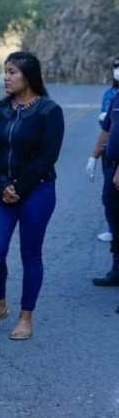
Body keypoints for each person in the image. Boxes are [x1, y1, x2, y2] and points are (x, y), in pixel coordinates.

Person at [0, 51, 64, 340]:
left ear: (28, 76)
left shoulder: (49, 111)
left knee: (31, 254)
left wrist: (20, 186)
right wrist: (2, 183)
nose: (6, 77)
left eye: (12, 72)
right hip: (3, 189)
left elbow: (48, 156)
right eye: (5, 71)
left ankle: (26, 315)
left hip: (37, 190)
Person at [87, 56, 119, 291]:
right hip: (111, 164)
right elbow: (107, 130)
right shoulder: (116, 96)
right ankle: (116, 269)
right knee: (114, 215)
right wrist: (93, 156)